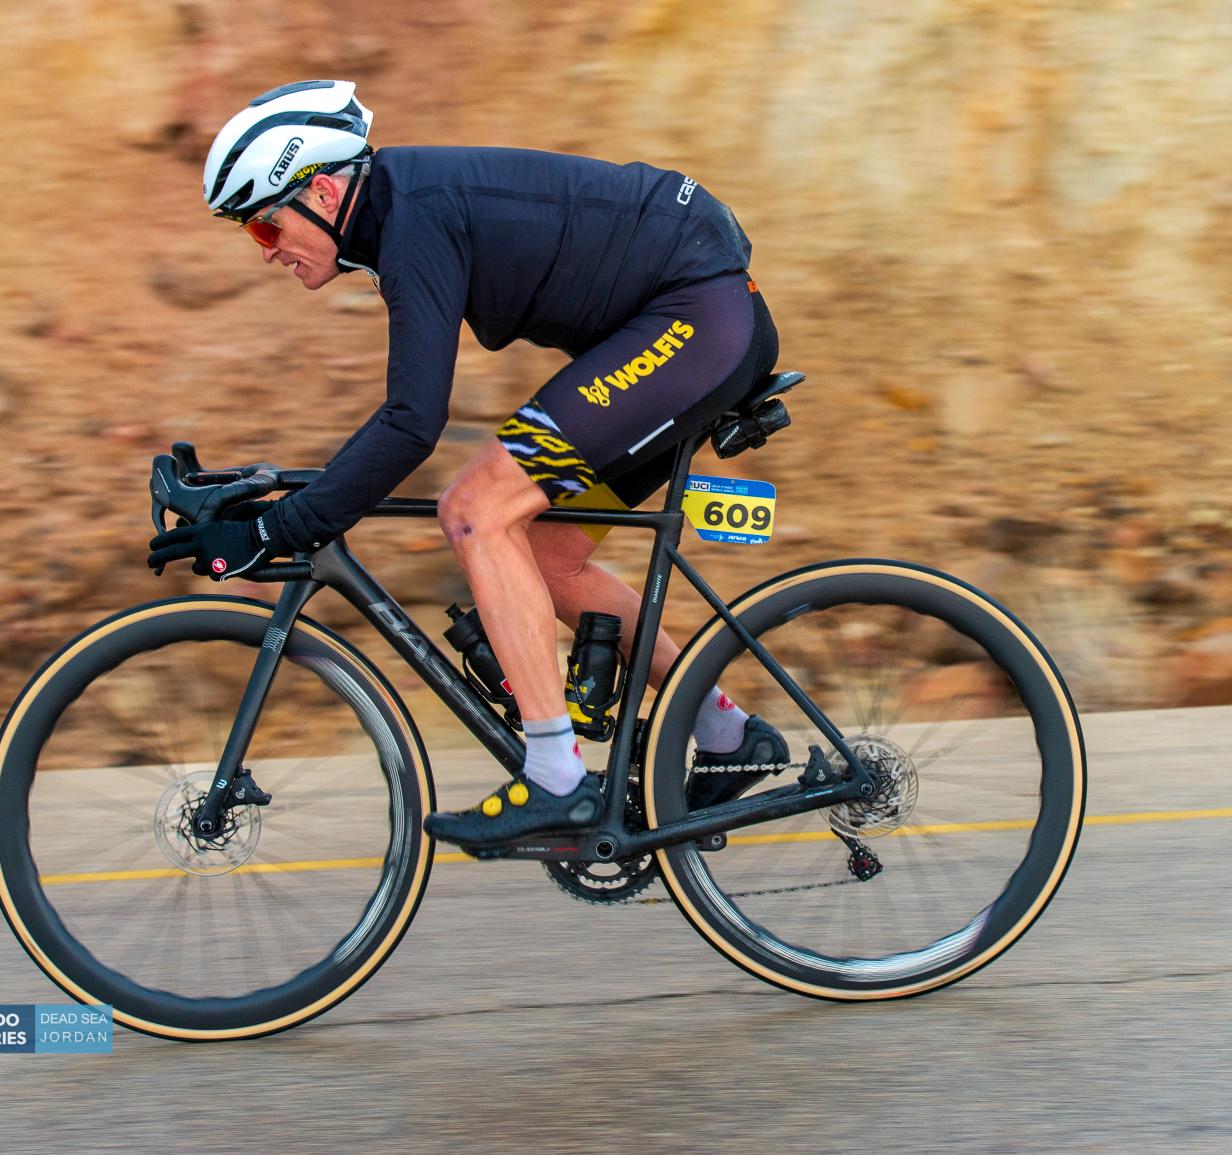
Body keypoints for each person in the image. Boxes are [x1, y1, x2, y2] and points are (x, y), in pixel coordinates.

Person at [149, 80, 789, 846]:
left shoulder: (414, 219)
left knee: (476, 510)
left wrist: (277, 528)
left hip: (697, 316)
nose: (266, 250)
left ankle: (556, 777)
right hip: (688, 320)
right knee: (545, 554)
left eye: (265, 225)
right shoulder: (398, 214)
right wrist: (273, 502)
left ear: (322, 191)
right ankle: (726, 734)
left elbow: (411, 423)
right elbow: (401, 420)